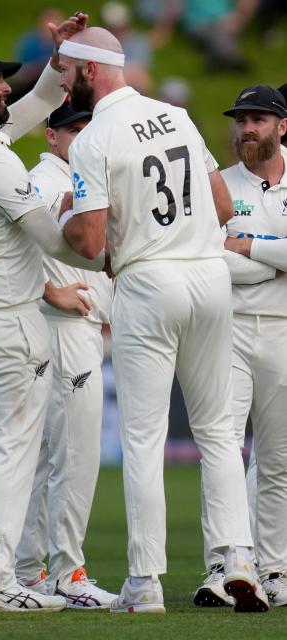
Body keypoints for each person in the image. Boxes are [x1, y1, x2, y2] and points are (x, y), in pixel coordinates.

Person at [56, 26, 268, 613]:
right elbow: (223, 206)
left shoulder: (92, 139)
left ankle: (146, 582)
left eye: (68, 70)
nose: (64, 82)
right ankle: (239, 560)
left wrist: (63, 224)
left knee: (144, 439)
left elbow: (92, 240)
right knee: (220, 433)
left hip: (150, 280)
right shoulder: (175, 115)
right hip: (209, 273)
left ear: (90, 72)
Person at [0, 14, 106, 614]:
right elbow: (60, 244)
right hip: (5, 327)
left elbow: (33, 106)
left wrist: (64, 58)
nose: (6, 86)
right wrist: (94, 213)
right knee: (13, 452)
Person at [15, 102, 116, 608]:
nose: (83, 138)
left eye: (89, 130)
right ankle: (66, 574)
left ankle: (31, 569)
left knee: (48, 456)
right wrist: (42, 290)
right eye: (73, 130)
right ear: (51, 136)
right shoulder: (46, 182)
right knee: (74, 454)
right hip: (63, 326)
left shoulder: (77, 183)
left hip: (76, 325)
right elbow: (11, 247)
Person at [195, 84, 287, 608]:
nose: (245, 129)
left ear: (282, 126)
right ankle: (224, 564)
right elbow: (209, 255)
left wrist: (247, 245)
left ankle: (273, 569)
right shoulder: (219, 185)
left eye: (257, 120)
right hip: (226, 328)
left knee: (277, 458)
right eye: (241, 120)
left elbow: (231, 252)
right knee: (224, 448)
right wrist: (275, 261)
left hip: (283, 329)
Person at [100, 1, 153, 94]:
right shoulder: (98, 41)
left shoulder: (138, 42)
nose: (118, 31)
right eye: (113, 27)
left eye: (120, 26)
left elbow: (143, 79)